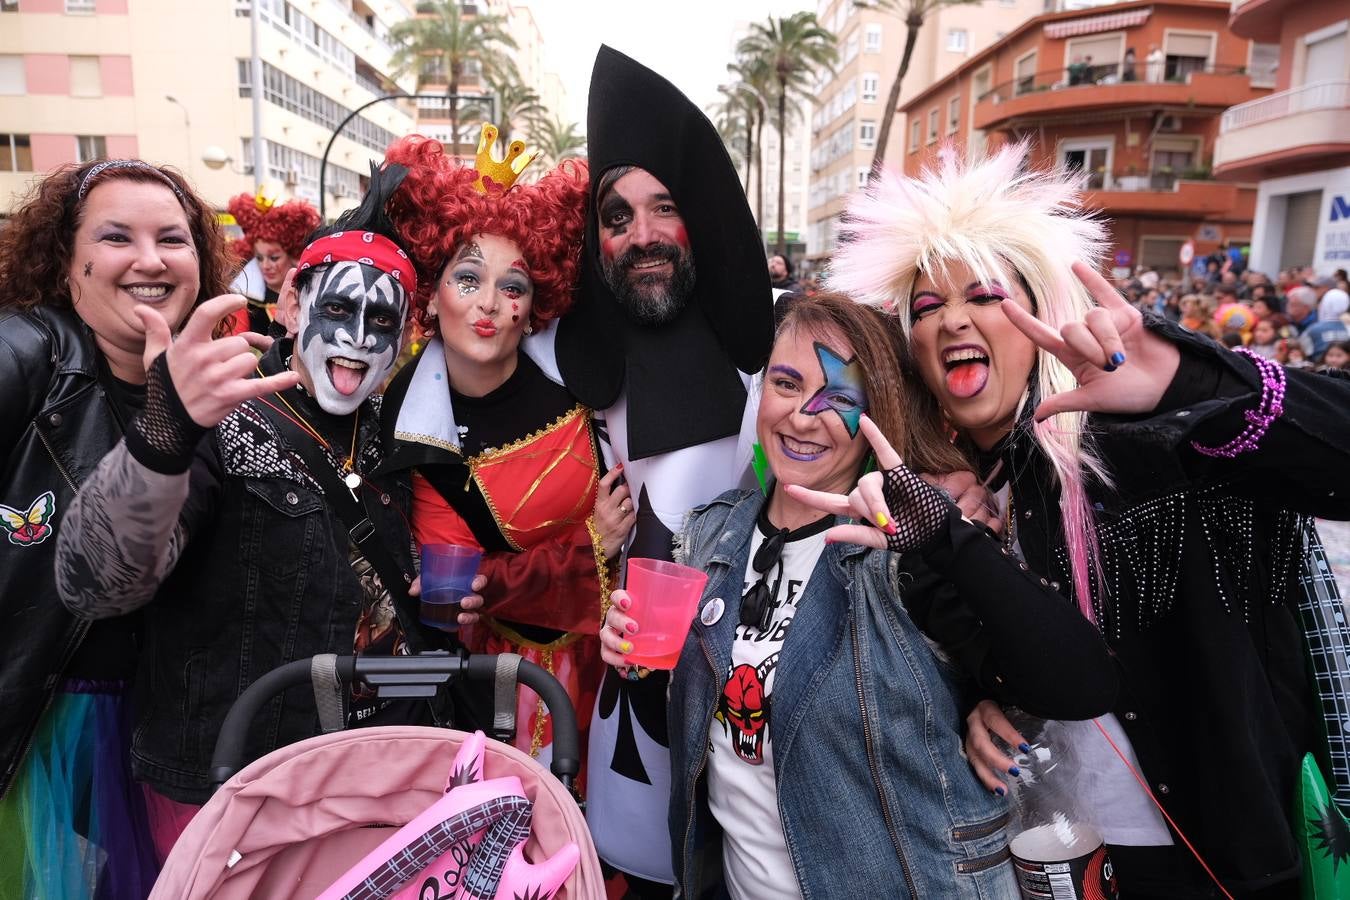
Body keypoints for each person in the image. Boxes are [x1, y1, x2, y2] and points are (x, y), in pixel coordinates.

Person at [830, 142, 1350, 898]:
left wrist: (1187, 381)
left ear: (1042, 311)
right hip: (1048, 854)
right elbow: (1027, 661)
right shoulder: (936, 510)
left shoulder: (1142, 444)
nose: (953, 322)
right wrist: (987, 702)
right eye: (927, 309)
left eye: (984, 296)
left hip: (1214, 857)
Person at [599, 293, 1118, 898]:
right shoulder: (710, 533)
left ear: (878, 414)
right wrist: (635, 657)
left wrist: (949, 541)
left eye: (839, 398)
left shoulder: (906, 552)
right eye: (787, 384)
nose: (801, 416)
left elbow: (1080, 681)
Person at [55, 163, 450, 862]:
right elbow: (98, 584)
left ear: (407, 336)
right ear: (294, 305)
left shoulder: (400, 437)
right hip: (232, 790)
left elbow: (372, 642)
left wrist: (436, 659)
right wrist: (164, 433)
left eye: (382, 320)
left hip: (368, 785)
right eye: (338, 310)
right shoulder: (219, 412)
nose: (358, 337)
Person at [546, 46, 776, 896]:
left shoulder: (778, 361)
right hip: (617, 726)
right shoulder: (553, 362)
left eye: (664, 208)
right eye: (617, 215)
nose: (640, 236)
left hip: (749, 726)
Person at [0, 159, 231, 899]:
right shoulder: (21, 358)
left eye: (173, 238)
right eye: (117, 236)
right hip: (41, 720)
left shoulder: (215, 387)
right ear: (68, 264)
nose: (150, 259)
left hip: (163, 728)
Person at [378, 127, 612, 774]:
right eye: (469, 277)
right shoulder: (407, 419)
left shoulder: (583, 389)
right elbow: (462, 585)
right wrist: (594, 539)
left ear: (535, 306)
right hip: (496, 679)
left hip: (610, 661)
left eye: (513, 286)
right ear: (433, 290)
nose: (488, 304)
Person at [225, 190, 320, 335]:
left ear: (292, 255)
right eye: (259, 258)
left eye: (274, 258)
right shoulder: (242, 301)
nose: (265, 266)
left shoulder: (310, 294)